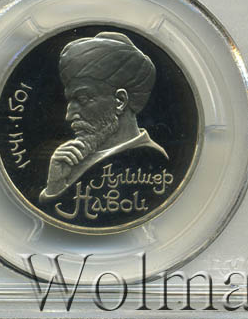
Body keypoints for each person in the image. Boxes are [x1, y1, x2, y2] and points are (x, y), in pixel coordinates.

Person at [39, 31, 168, 203]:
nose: (68, 116)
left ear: (120, 101)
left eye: (83, 99)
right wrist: (55, 186)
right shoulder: (70, 163)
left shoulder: (151, 159)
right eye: (70, 101)